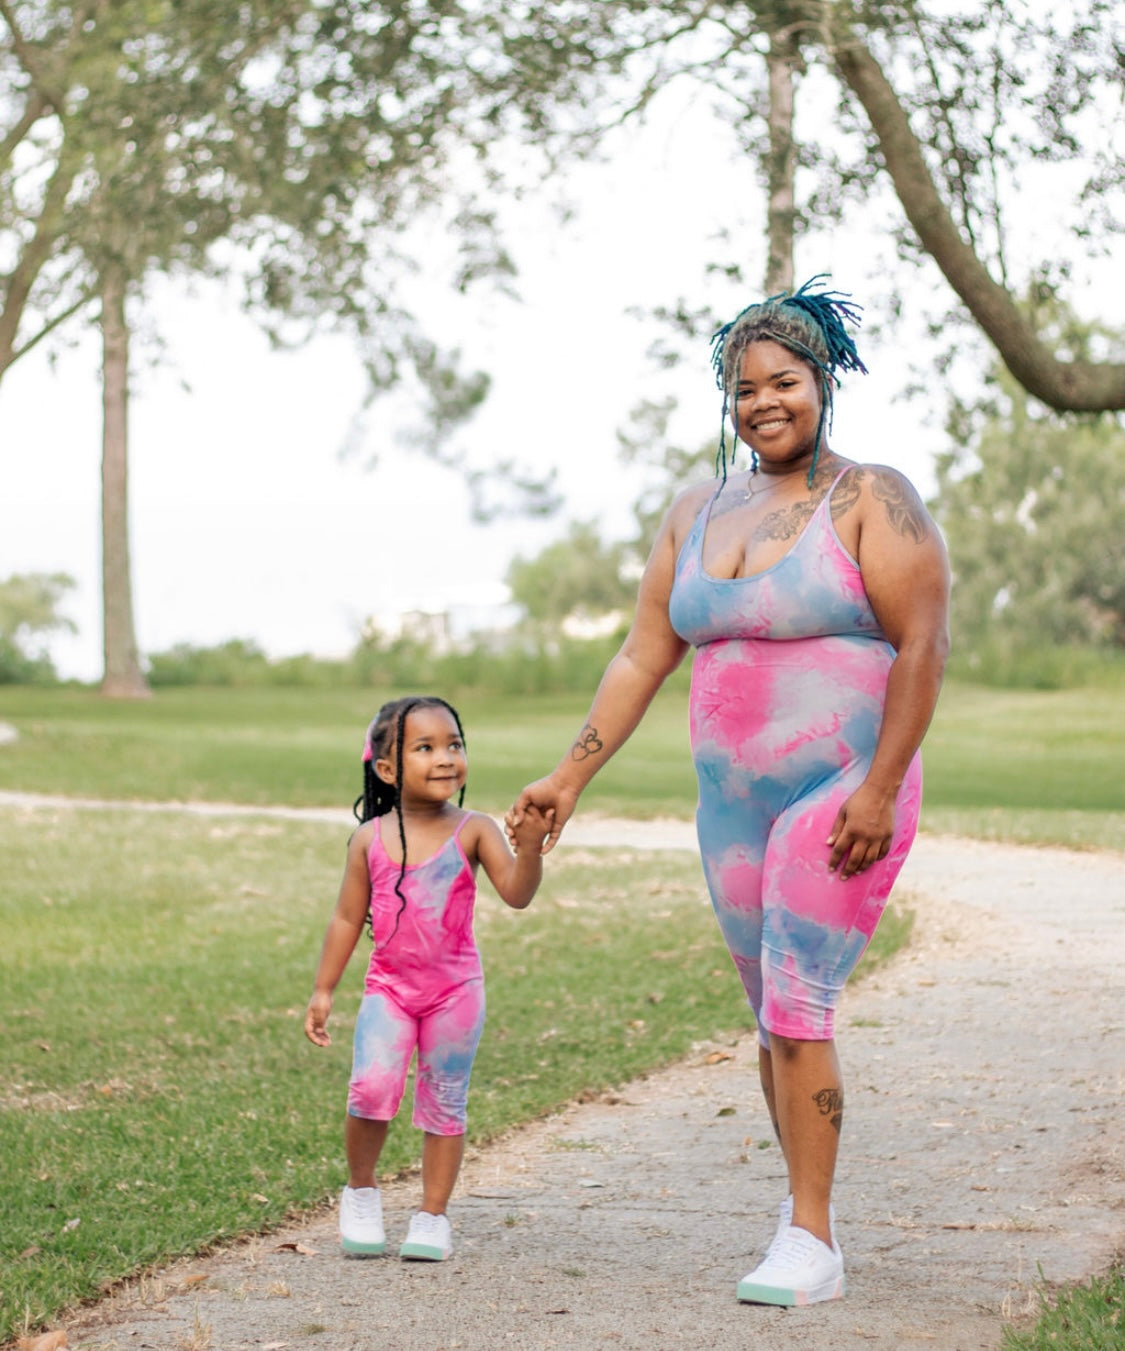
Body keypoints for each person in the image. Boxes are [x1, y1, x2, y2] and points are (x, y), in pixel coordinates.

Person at [507, 277, 950, 1306]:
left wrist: (879, 786)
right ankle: (800, 1215)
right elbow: (641, 655)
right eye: (744, 387)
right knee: (772, 1017)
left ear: (821, 381)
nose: (764, 402)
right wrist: (568, 776)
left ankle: (811, 1236)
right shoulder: (695, 511)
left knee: (800, 1000)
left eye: (784, 381)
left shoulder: (871, 498)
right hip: (733, 811)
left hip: (843, 792)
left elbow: (924, 645)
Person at [305, 695, 553, 1262]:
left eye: (454, 745)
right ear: (388, 769)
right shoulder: (369, 839)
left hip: (456, 993)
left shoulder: (475, 829)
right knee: (370, 1090)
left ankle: (432, 1216)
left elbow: (517, 893)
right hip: (388, 990)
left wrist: (531, 847)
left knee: (445, 1099)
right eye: (425, 748)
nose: (445, 758)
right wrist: (324, 989)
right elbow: (347, 917)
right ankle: (362, 1191)